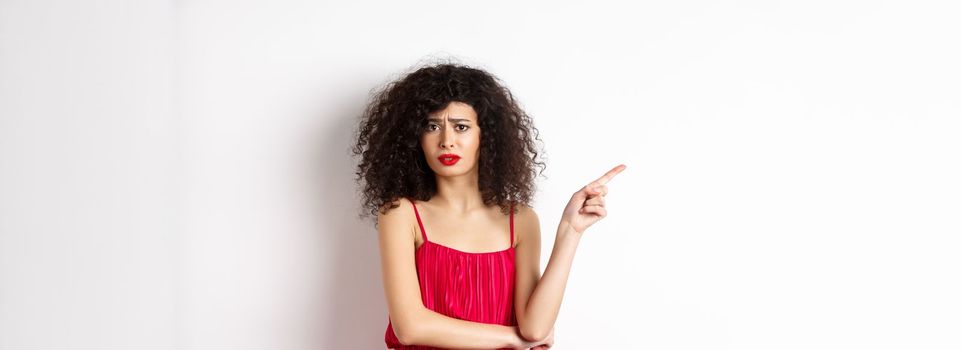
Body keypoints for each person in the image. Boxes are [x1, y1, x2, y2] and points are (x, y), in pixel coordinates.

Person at [352, 61, 625, 349]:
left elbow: (535, 328)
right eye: (432, 126)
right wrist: (510, 338)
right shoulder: (401, 213)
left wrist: (570, 231)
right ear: (415, 138)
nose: (447, 141)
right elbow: (409, 328)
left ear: (487, 135)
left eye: (461, 127)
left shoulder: (520, 219)